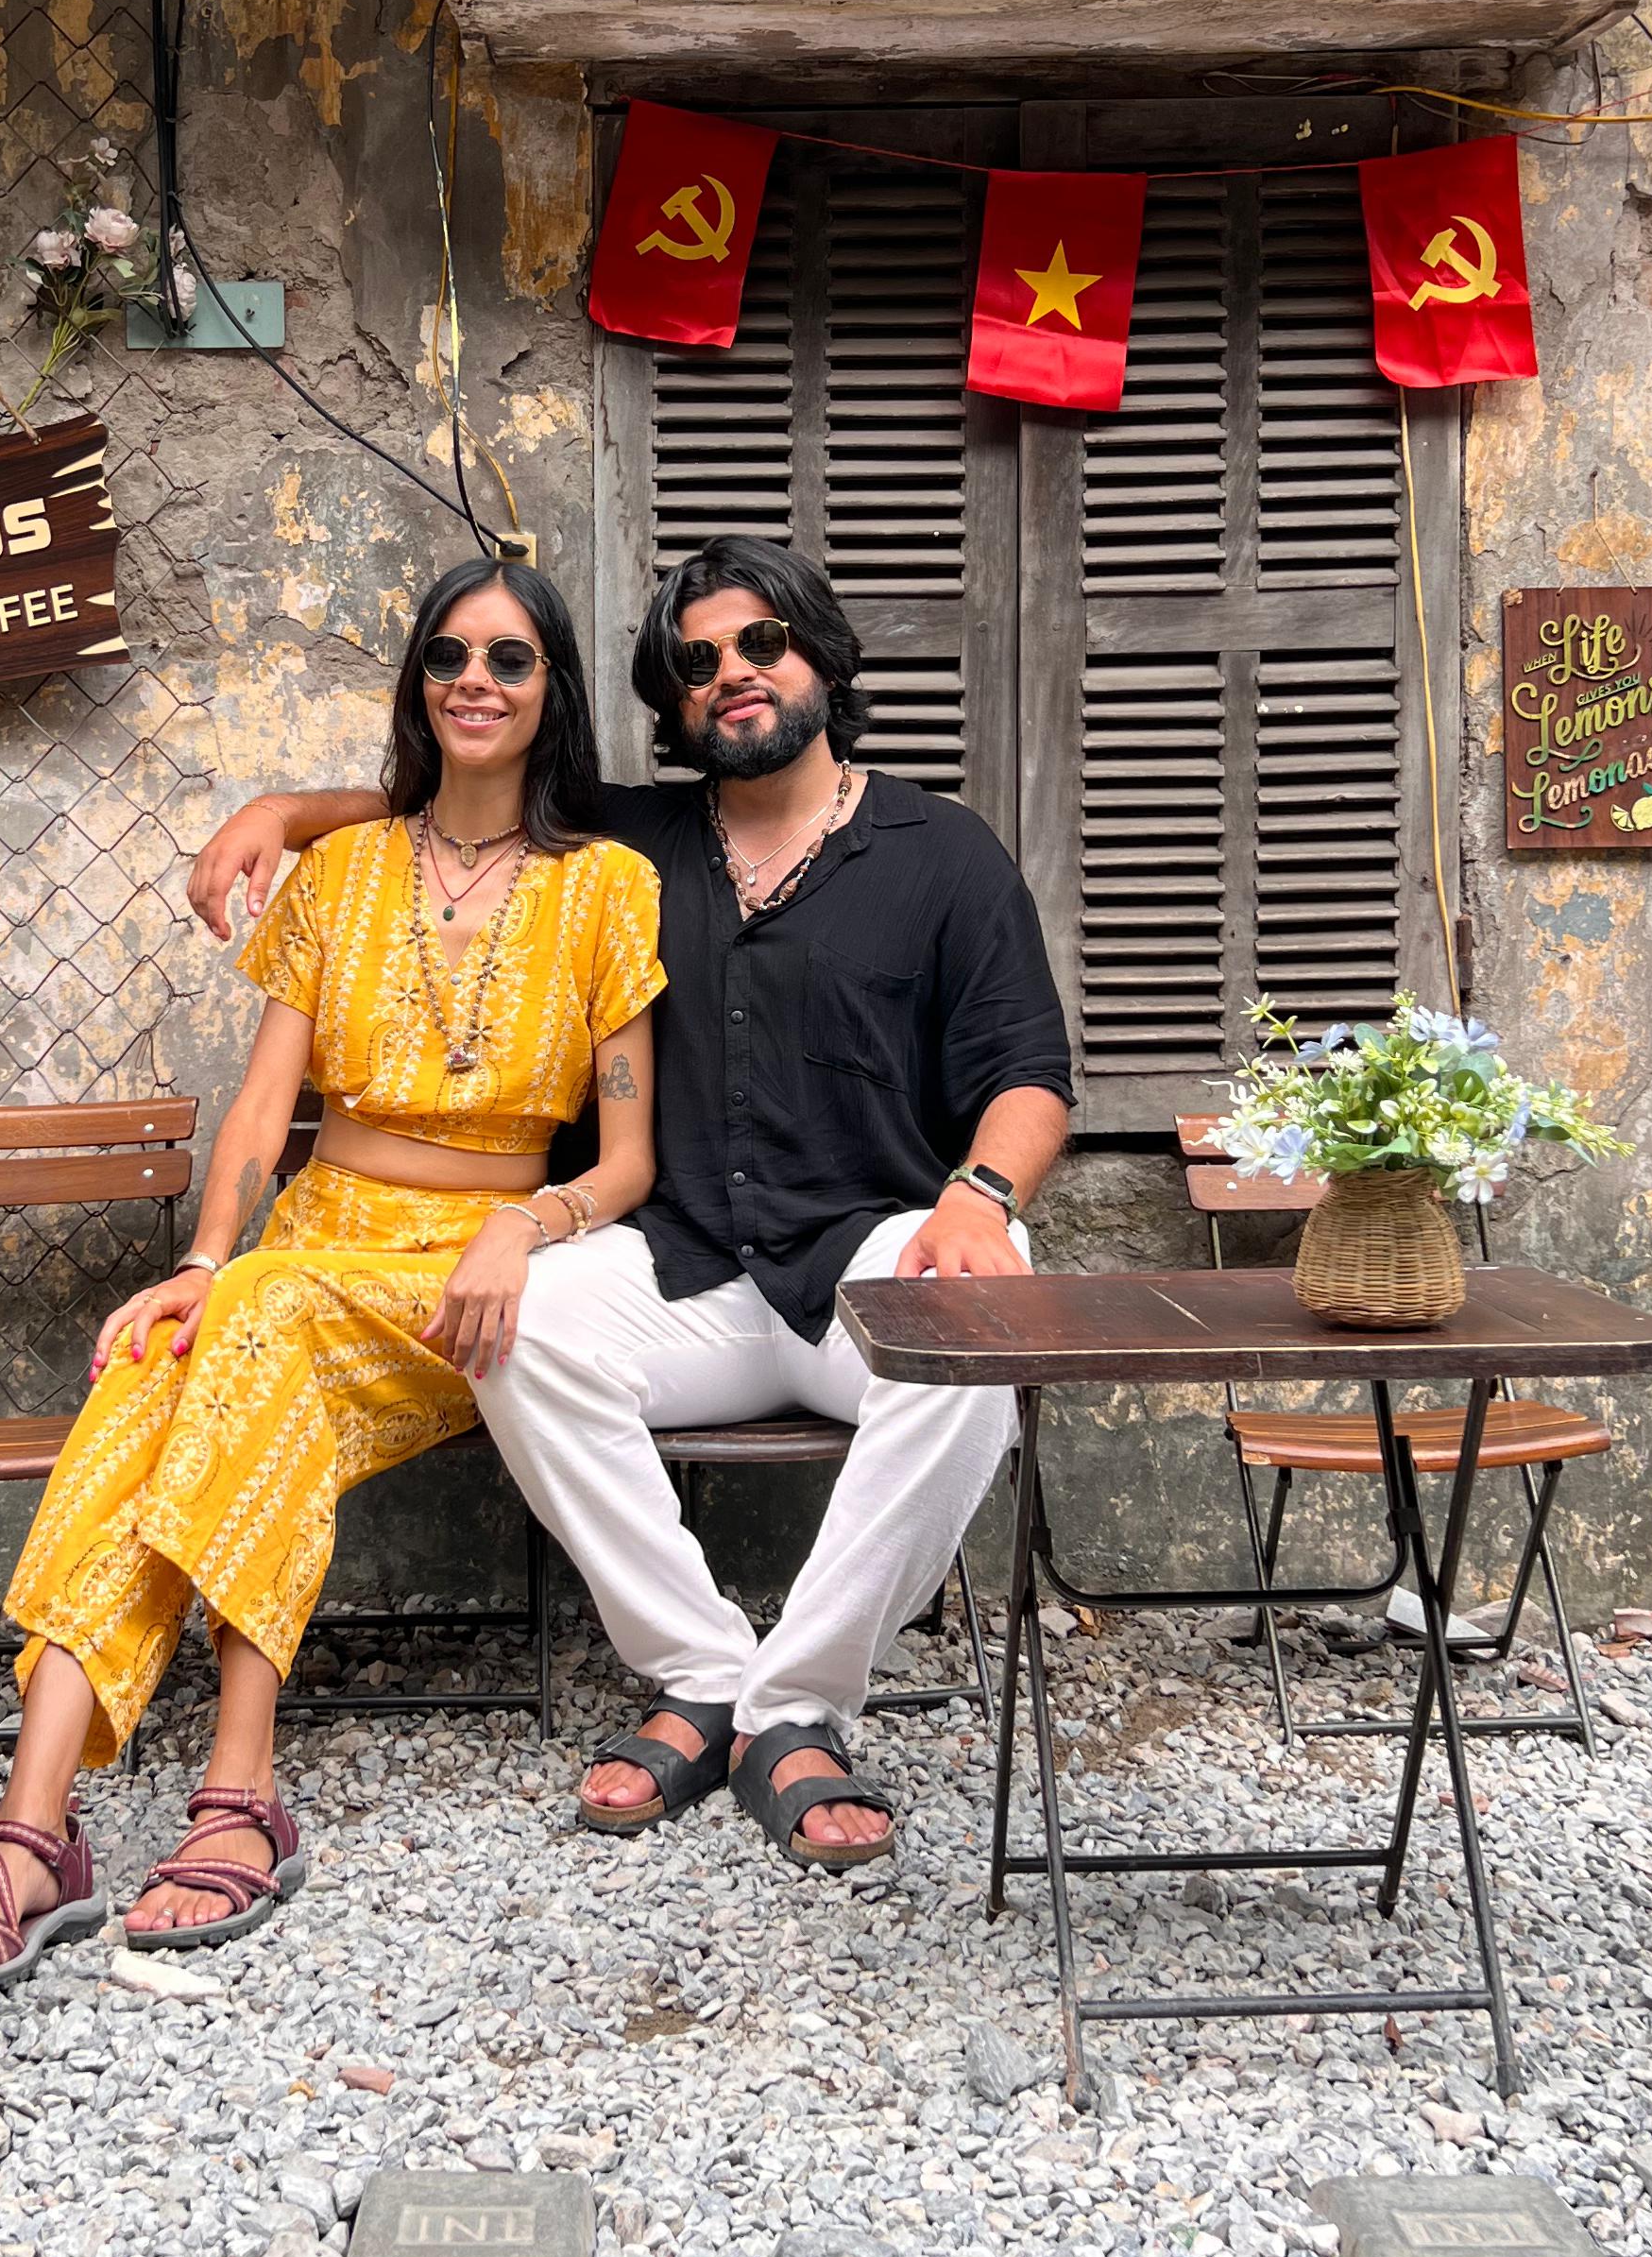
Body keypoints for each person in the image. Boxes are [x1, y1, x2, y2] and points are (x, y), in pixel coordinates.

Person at [189, 535, 1071, 1875]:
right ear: (674, 701)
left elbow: (1030, 1075)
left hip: (866, 1260)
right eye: (698, 663)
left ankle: (796, 1703)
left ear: (823, 658)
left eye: (762, 643)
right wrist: (281, 812)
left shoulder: (943, 852)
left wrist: (982, 1195)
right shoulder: (633, 840)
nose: (733, 675)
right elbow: (463, 787)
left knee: (982, 1326)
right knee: (516, 1323)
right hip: (686, 1270)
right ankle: (704, 1670)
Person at [0, 557, 663, 2009]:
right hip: (310, 1240)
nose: (476, 681)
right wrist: (203, 1258)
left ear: (553, 687)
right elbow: (262, 1112)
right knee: (158, 1363)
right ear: (419, 685)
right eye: (448, 657)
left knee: (256, 1322)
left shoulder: (608, 887)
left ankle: (237, 1783)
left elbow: (628, 1159)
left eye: (509, 658)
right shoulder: (342, 873)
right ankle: (33, 1826)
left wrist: (529, 1225)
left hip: (466, 1274)